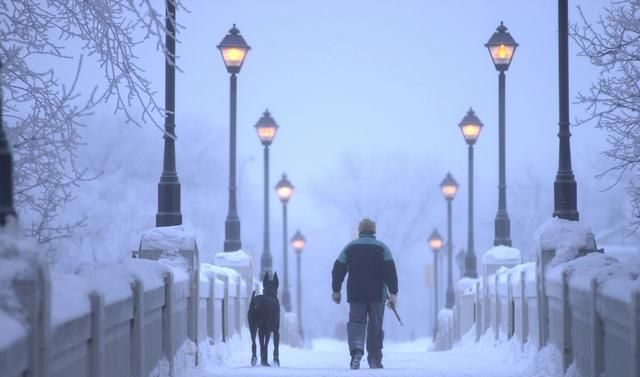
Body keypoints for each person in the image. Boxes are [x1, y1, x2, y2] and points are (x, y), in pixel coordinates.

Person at [331, 218, 398, 370]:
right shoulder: (383, 248)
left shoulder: (350, 248)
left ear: (360, 231)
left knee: (356, 323)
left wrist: (336, 290)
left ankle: (356, 352)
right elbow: (391, 273)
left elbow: (338, 269)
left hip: (356, 294)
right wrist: (393, 293)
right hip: (377, 295)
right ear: (374, 231)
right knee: (375, 325)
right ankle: (374, 358)